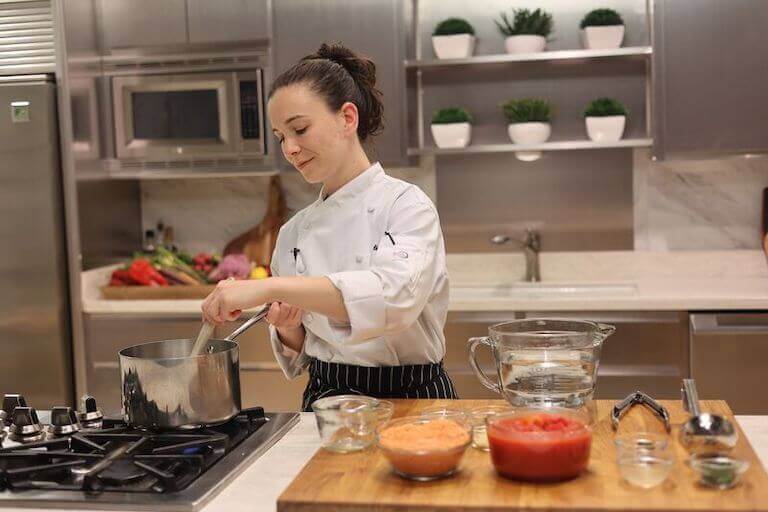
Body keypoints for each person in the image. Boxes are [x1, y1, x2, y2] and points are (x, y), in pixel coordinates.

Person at [201, 42, 456, 411]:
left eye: (299, 129)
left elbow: (393, 299)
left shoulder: (406, 205)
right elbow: (303, 351)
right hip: (329, 398)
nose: (289, 148)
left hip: (414, 399)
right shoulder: (292, 233)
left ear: (347, 118)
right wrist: (289, 327)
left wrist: (263, 288)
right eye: (280, 137)